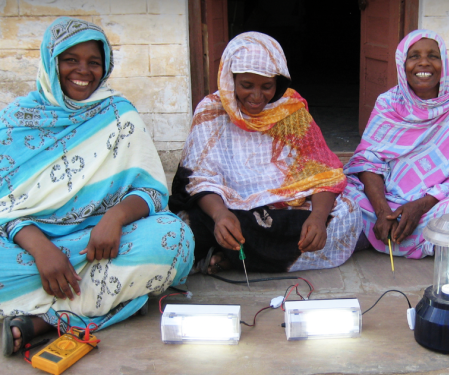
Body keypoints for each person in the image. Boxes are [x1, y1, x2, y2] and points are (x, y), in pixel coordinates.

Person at [0, 17, 194, 356]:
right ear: (51, 61)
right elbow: (4, 205)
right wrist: (42, 251)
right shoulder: (15, 119)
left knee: (174, 238)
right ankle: (110, 301)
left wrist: (114, 218)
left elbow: (151, 191)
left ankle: (45, 319)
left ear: (105, 66)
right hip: (29, 249)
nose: (83, 71)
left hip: (99, 245)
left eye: (94, 62)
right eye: (70, 60)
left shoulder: (119, 114)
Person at [169, 32, 362, 274]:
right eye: (246, 86)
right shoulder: (212, 110)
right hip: (231, 208)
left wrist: (318, 218)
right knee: (186, 224)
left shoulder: (290, 110)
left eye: (267, 86)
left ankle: (235, 259)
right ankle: (243, 256)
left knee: (348, 212)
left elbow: (322, 174)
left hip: (283, 208)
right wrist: (219, 215)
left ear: (278, 82)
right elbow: (197, 179)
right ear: (231, 80)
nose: (257, 96)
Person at [344, 29, 449, 259]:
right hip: (387, 199)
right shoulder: (388, 104)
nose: (424, 63)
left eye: (433, 56)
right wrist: (383, 211)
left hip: (436, 202)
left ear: (443, 62)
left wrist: (420, 206)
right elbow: (368, 162)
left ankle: (394, 234)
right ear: (402, 64)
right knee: (343, 189)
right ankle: (401, 231)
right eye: (414, 56)